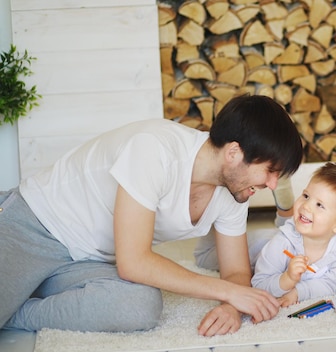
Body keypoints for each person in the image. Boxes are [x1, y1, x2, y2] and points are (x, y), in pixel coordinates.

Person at [0, 94, 304, 337]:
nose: (272, 185)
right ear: (234, 153)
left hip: (89, 261)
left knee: (139, 306)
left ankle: (17, 312)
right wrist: (229, 292)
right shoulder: (155, 149)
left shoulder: (234, 190)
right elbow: (135, 262)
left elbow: (236, 271)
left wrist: (231, 305)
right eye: (270, 171)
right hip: (32, 226)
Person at [248, 162, 336, 307]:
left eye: (319, 205)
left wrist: (298, 292)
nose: (306, 206)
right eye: (306, 196)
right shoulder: (282, 242)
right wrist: (287, 279)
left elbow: (331, 283)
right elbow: (258, 285)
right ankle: (283, 200)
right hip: (248, 247)